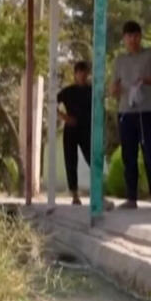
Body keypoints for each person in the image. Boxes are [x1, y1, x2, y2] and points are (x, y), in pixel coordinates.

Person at [112, 20, 151, 211]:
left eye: (136, 36)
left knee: (150, 154)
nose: (133, 40)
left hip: (145, 111)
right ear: (124, 39)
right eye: (129, 36)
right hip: (125, 112)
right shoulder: (120, 60)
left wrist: (147, 80)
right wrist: (116, 89)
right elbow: (113, 88)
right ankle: (131, 198)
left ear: (140, 36)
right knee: (128, 156)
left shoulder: (150, 55)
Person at [57, 61, 93, 205]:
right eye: (80, 73)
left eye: (85, 73)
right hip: (71, 128)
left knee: (92, 158)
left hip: (87, 129)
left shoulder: (92, 90)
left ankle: (98, 192)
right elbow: (52, 103)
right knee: (71, 161)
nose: (82, 76)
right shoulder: (68, 91)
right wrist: (65, 117)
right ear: (75, 74)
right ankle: (74, 195)